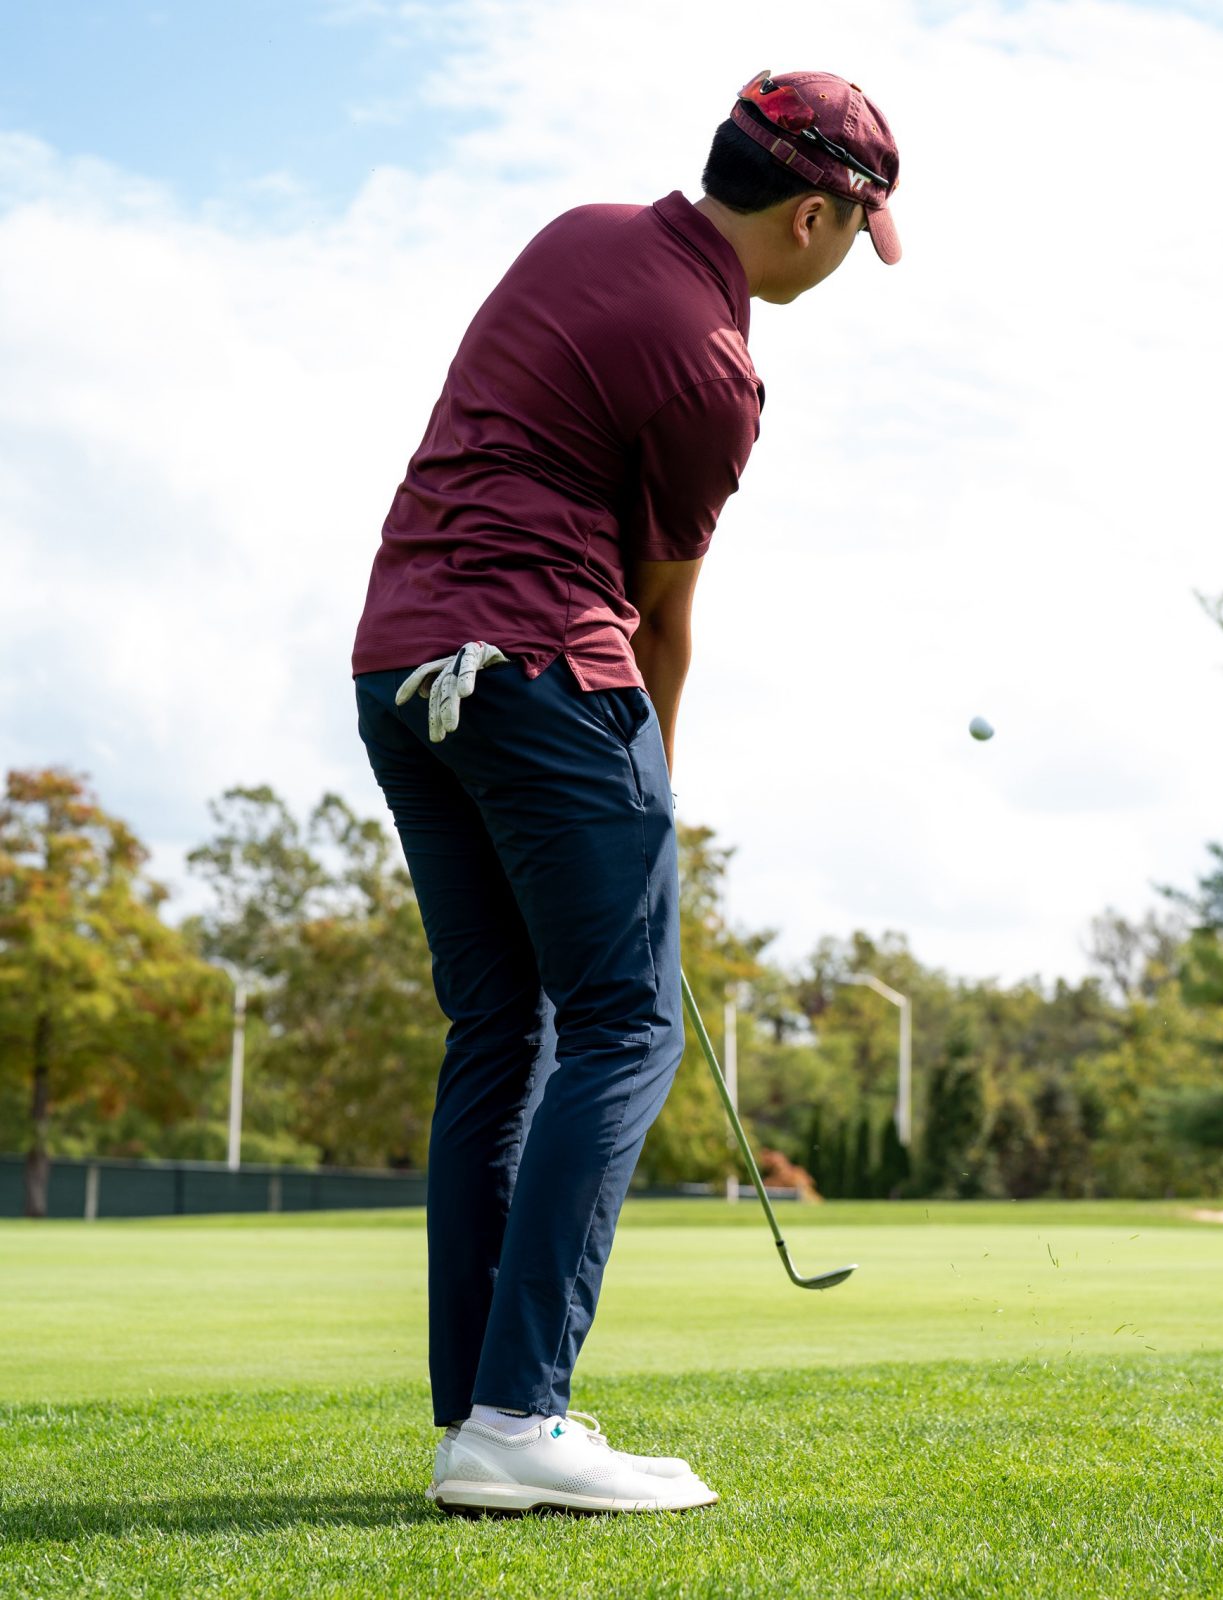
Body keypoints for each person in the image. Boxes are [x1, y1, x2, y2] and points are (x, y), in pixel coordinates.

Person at [351, 69, 901, 1517]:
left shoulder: (577, 233)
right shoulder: (717, 370)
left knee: (502, 1026)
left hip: (397, 672)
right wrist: (651, 781)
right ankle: (520, 1416)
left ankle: (481, 1415)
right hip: (542, 671)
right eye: (859, 234)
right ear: (812, 213)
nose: (853, 261)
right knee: (626, 1022)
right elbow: (662, 617)